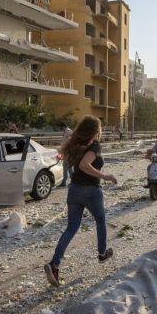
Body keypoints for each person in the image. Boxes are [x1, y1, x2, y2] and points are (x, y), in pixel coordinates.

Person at [45, 116, 118, 287]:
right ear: (94, 131)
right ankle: (102, 253)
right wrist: (105, 176)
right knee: (100, 221)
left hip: (74, 190)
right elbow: (85, 165)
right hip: (91, 191)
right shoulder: (94, 145)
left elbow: (78, 165)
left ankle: (54, 264)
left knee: (71, 228)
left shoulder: (75, 145)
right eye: (99, 129)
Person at [59, 122, 73, 187]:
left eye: (60, 127)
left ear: (63, 126)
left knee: (65, 166)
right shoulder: (65, 131)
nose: (60, 128)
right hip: (66, 152)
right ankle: (74, 181)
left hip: (68, 152)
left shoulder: (69, 131)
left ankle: (64, 182)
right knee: (69, 167)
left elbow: (70, 142)